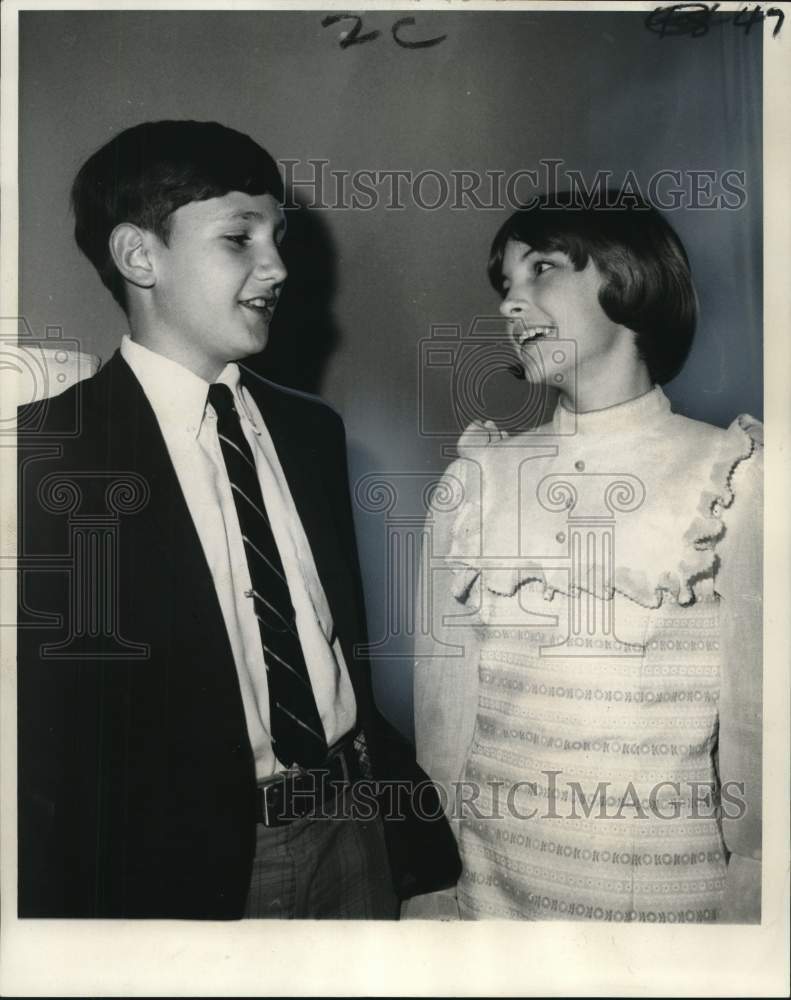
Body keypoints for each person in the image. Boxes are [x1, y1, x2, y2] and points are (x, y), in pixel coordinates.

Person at [17, 120, 458, 919]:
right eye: (238, 237)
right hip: (193, 870)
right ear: (139, 257)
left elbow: (335, 639)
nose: (278, 266)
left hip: (354, 827)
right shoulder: (49, 455)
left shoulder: (309, 430)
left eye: (279, 235)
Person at [405, 192, 762, 922]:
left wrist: (751, 899)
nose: (511, 304)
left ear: (628, 279)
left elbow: (760, 727)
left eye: (541, 270)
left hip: (662, 917)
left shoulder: (732, 477)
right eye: (505, 284)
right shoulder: (474, 482)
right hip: (491, 907)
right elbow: (444, 723)